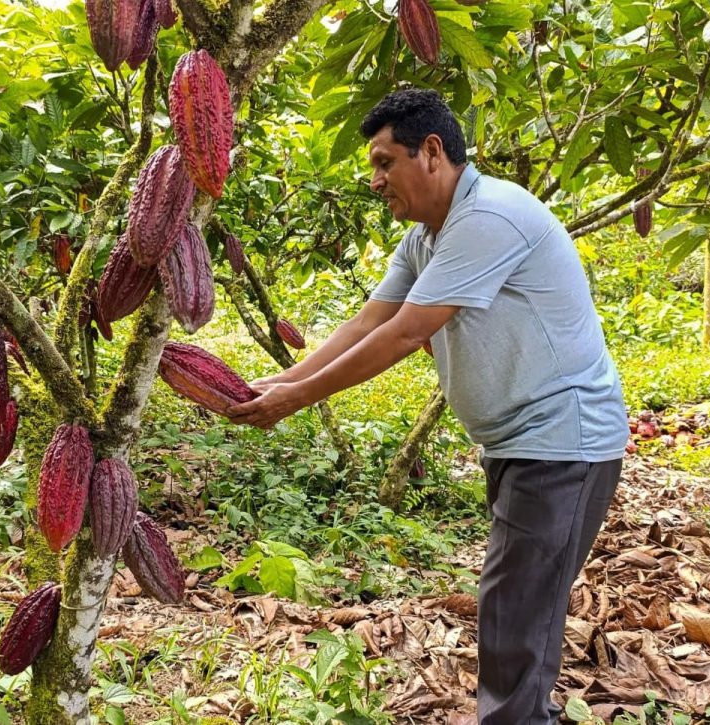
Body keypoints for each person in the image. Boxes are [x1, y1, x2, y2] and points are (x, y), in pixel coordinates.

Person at [226, 88, 629, 724]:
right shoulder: (427, 239)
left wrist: (296, 399)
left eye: (386, 162)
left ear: (432, 152)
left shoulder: (489, 216)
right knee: (516, 609)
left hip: (563, 441)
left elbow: (406, 333)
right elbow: (368, 321)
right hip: (521, 443)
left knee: (516, 616)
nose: (375, 179)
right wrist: (274, 387)